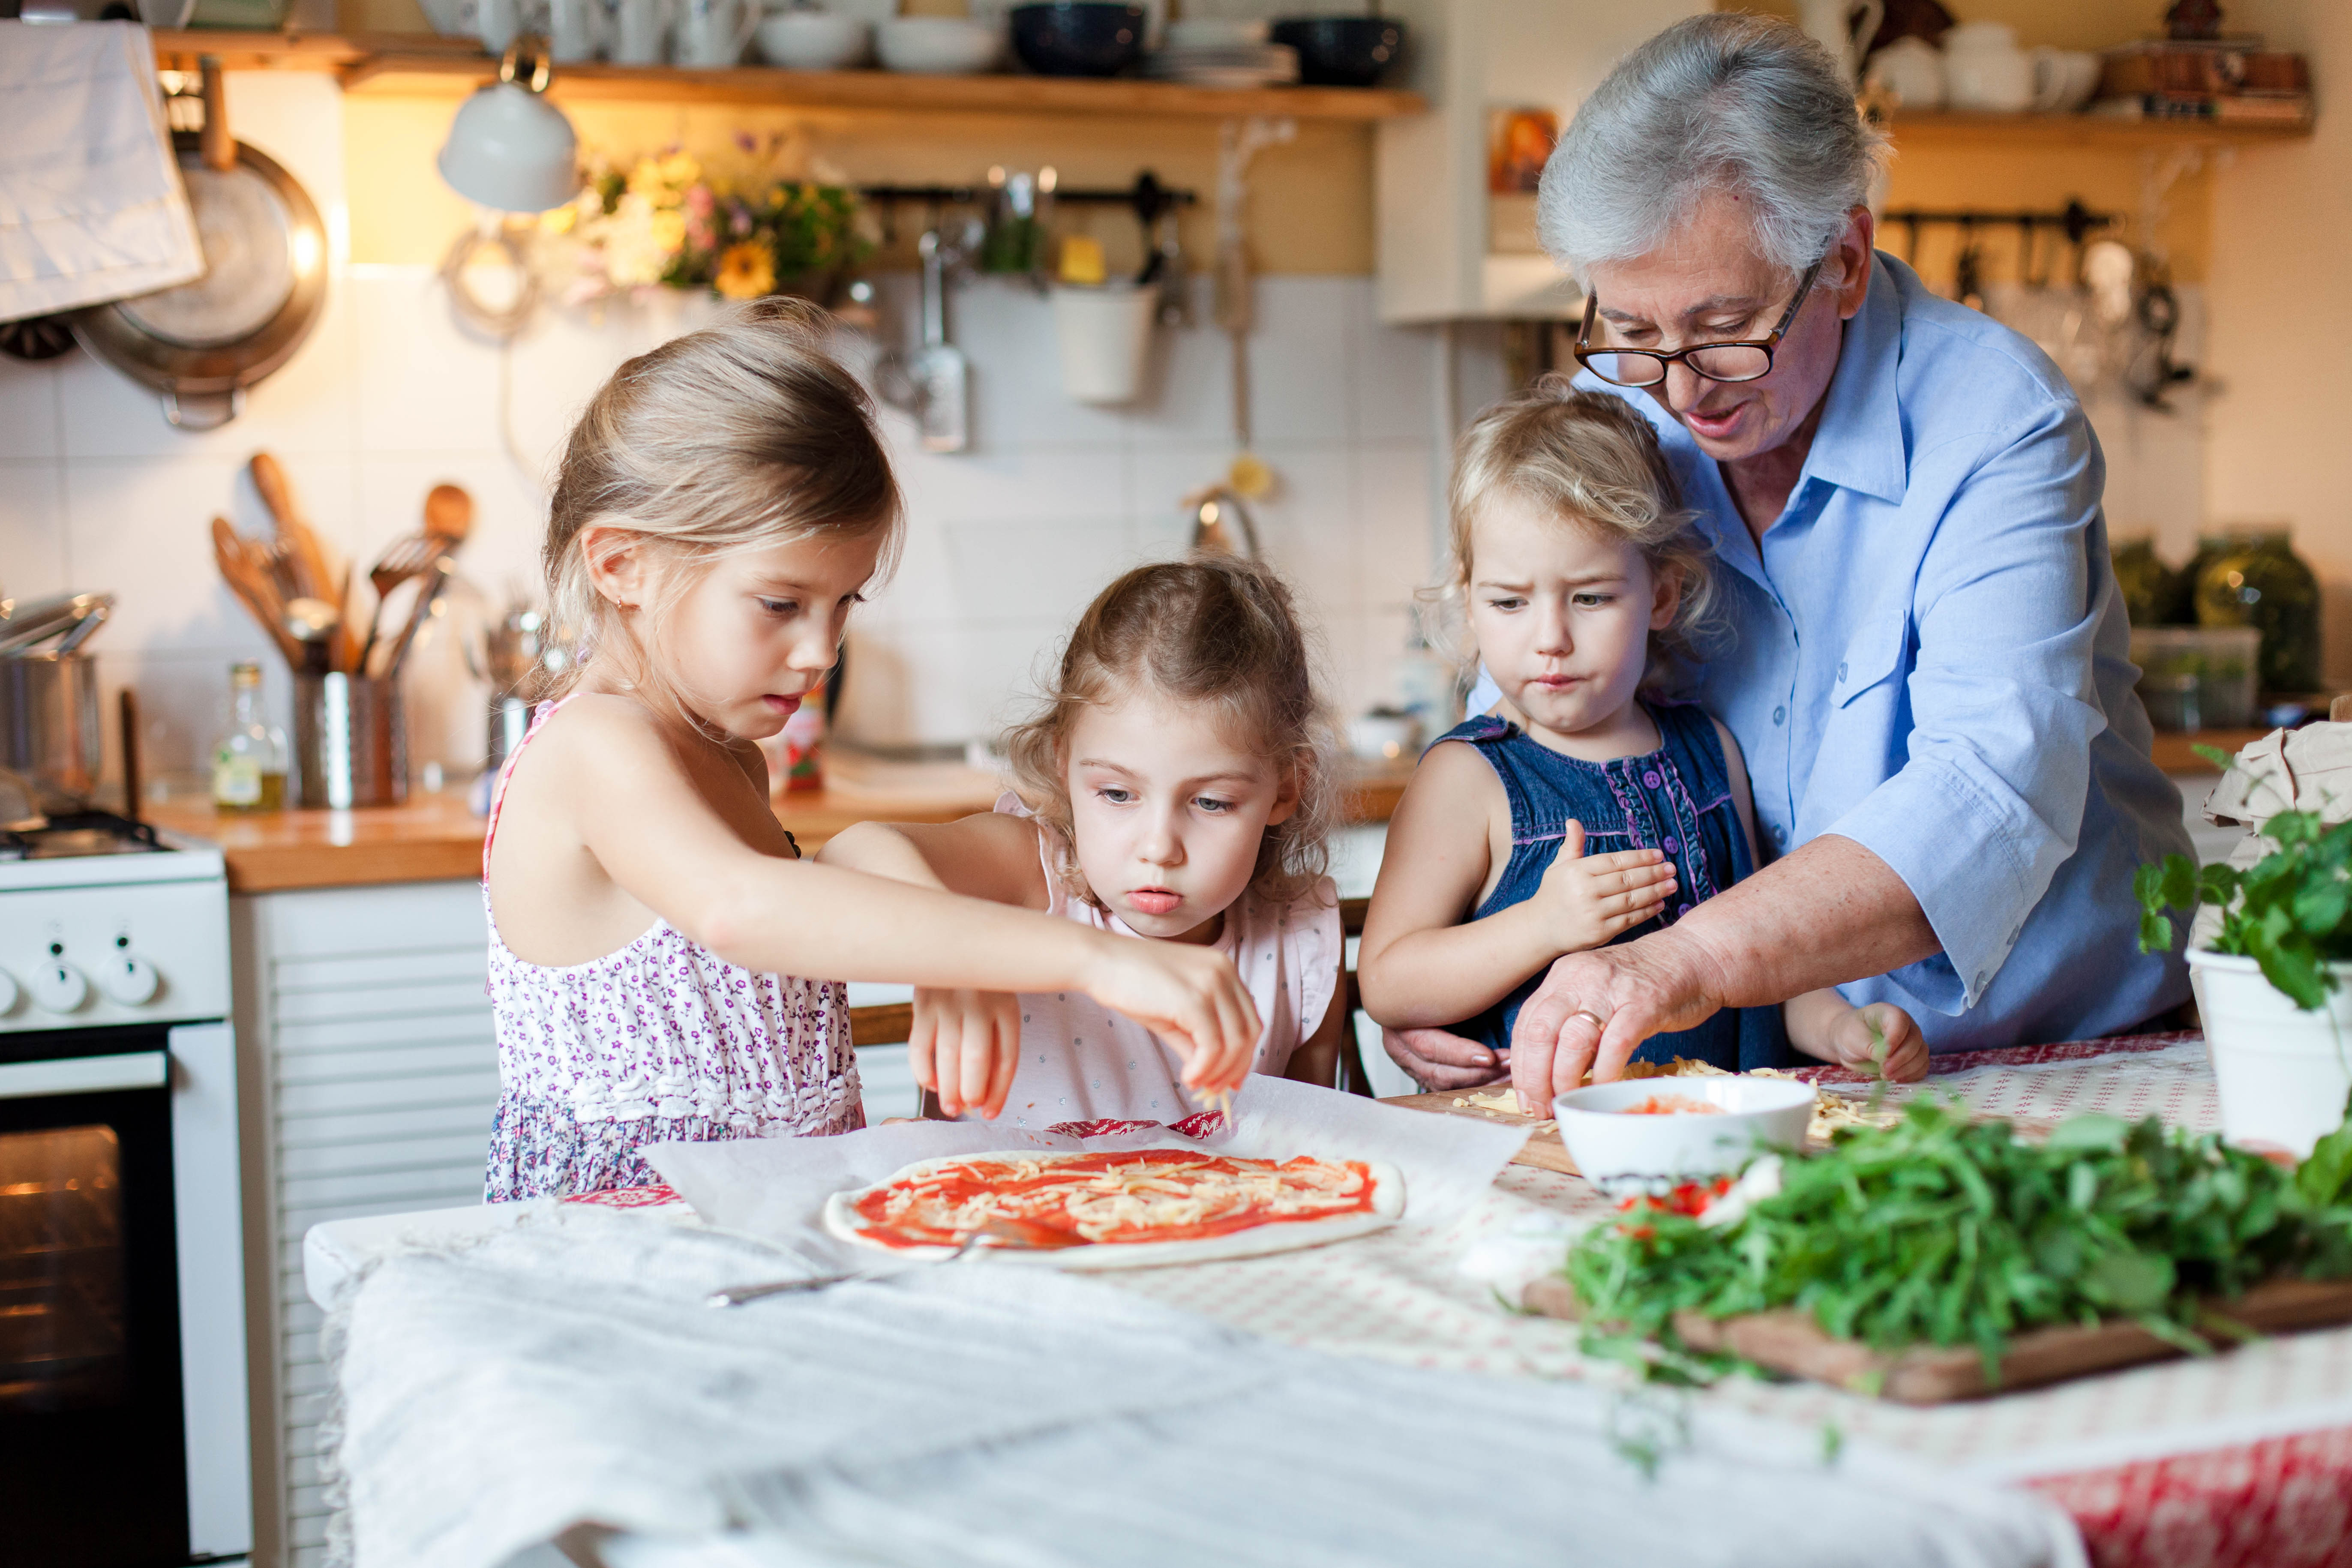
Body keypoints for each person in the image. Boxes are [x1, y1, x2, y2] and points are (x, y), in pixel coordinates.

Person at [1384, 14, 2192, 1108]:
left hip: (2042, 1058)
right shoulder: (1607, 415)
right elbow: (1527, 738)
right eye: (1627, 326)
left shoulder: (1996, 424)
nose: (1677, 388)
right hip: (1747, 1086)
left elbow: (1988, 788)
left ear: (1845, 262)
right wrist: (1471, 987)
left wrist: (1678, 963)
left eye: (1724, 327)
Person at [480, 301, 1260, 1198]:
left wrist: (945, 957)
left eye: (844, 602)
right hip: (617, 1245)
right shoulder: (597, 746)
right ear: (622, 565)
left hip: (754, 1225)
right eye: (780, 604)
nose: (821, 650)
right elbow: (743, 909)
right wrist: (1098, 957)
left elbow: (817, 917)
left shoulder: (733, 757)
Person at [1359, 382, 1926, 1086]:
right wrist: (1542, 925)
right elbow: (1386, 980)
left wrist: (1841, 1028)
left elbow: (1762, 965)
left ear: (1662, 595)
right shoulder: (1466, 776)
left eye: (1590, 597)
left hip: (1721, 1145)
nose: (1550, 641)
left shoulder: (1710, 750)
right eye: (1509, 602)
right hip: (1535, 1151)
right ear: (1471, 605)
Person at [819, 556, 1347, 1130]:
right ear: (1063, 762)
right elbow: (847, 857)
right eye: (1118, 794)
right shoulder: (1032, 873)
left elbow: (1306, 1151)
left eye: (1212, 803)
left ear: (1287, 788)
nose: (1159, 847)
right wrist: (948, 952)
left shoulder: (1303, 940)